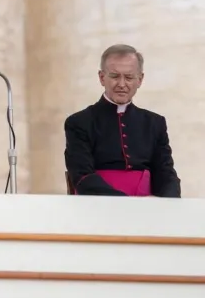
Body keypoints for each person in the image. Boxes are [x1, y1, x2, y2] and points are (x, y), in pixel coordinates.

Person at [64, 44, 180, 197]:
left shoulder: (155, 123)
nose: (122, 84)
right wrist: (125, 204)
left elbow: (165, 173)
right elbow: (82, 176)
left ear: (140, 79)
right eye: (114, 76)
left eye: (129, 77)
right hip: (97, 207)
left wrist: (170, 202)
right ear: (101, 77)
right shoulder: (79, 122)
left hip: (148, 208)